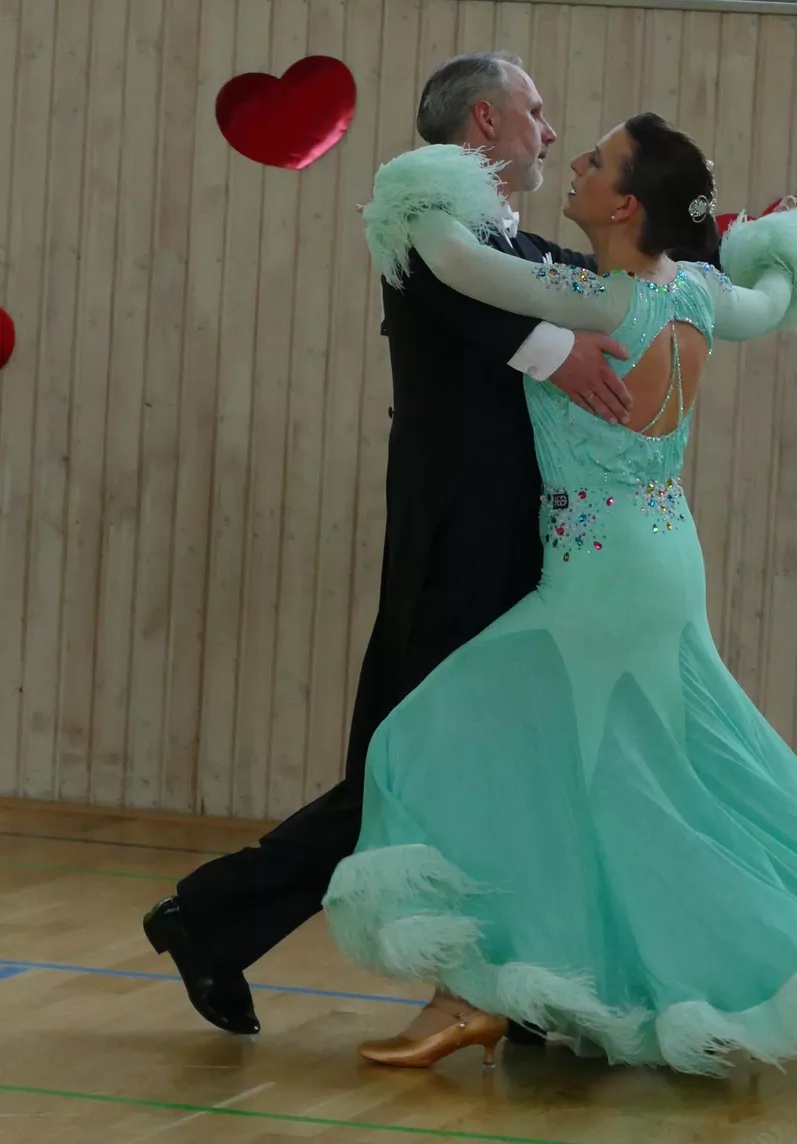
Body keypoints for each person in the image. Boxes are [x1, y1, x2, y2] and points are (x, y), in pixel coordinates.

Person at [325, 118, 797, 1072]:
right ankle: (522, 993)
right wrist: (769, 247)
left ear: (625, 205)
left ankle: (518, 988)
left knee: (421, 742)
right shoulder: (703, 293)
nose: (578, 166)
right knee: (613, 780)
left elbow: (455, 263)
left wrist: (419, 187)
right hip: (664, 551)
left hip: (602, 572)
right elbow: (774, 297)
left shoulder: (600, 298)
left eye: (597, 163)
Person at [142, 53, 633, 1034]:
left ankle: (507, 986)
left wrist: (684, 255)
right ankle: (215, 918)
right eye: (535, 111)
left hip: (506, 533)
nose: (548, 130)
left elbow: (559, 281)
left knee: (474, 759)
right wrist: (555, 352)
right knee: (410, 761)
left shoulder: (500, 236)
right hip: (456, 533)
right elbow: (457, 294)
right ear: (485, 119)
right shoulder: (420, 211)